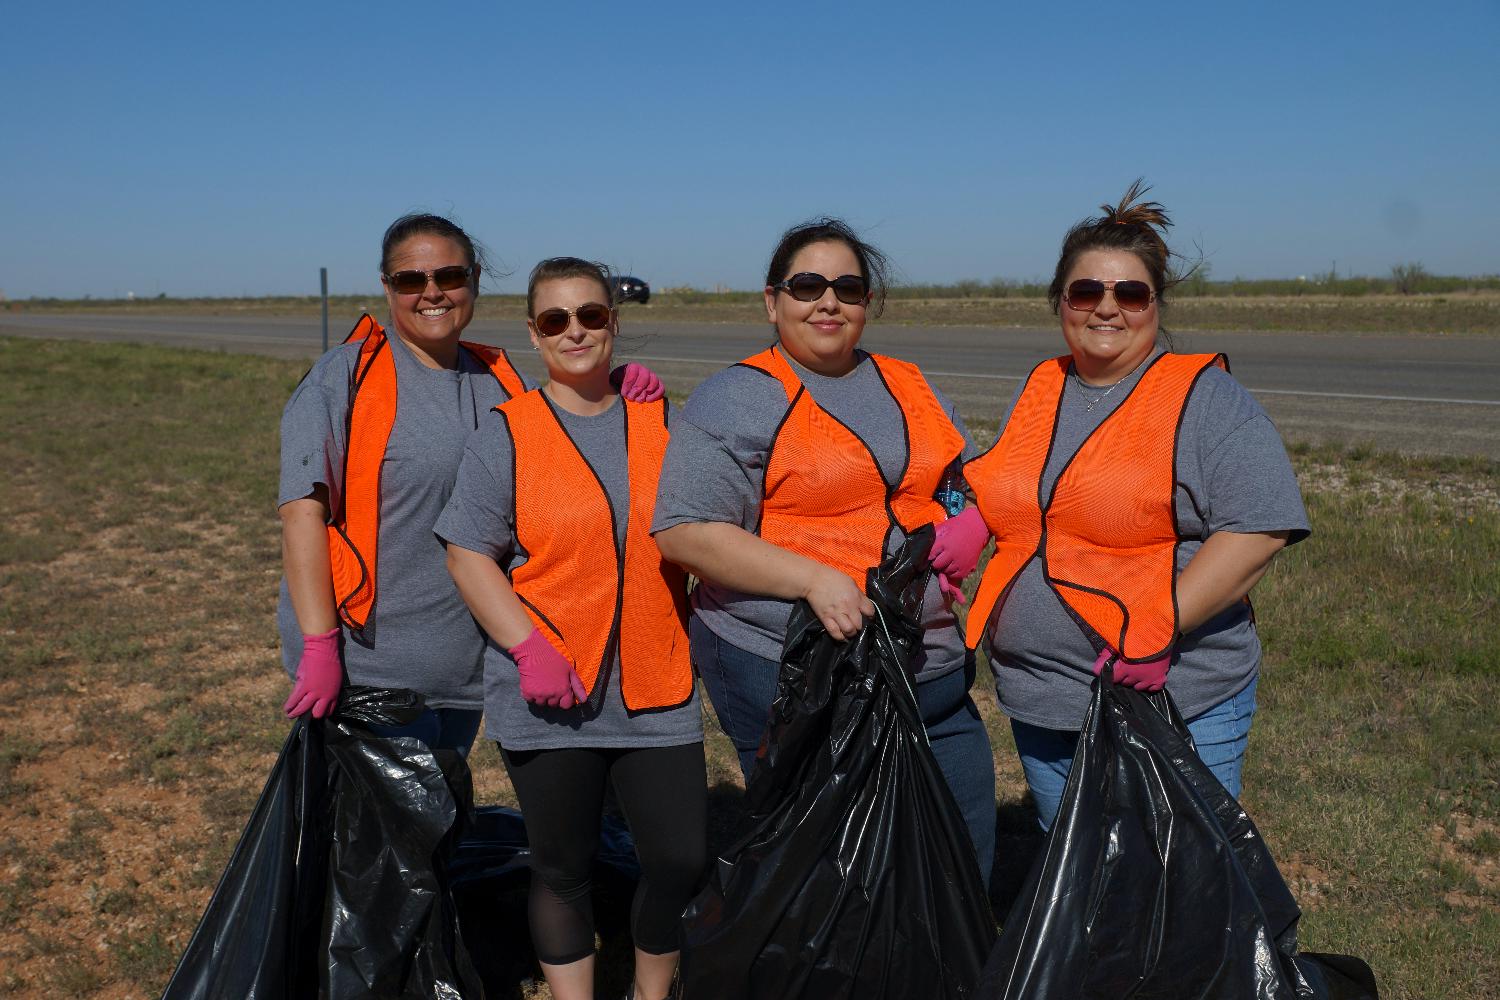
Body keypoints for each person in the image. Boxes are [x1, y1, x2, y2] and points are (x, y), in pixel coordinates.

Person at [652, 218, 998, 888]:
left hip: (928, 662)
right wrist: (813, 579)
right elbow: (686, 530)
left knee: (961, 848)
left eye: (848, 287)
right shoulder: (740, 396)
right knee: (830, 872)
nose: (828, 301)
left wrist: (975, 519)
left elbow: (977, 474)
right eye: (807, 285)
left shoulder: (908, 382)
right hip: (791, 667)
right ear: (772, 300)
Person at [963, 182, 1310, 831]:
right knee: (1080, 884)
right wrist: (973, 521)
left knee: (1180, 880)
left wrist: (1161, 625)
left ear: (1156, 304)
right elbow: (1022, 489)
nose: (1107, 309)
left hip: (1169, 696)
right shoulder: (1043, 383)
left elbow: (1258, 527)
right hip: (1041, 698)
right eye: (1087, 292)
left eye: (1130, 293)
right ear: (1060, 302)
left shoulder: (1202, 396)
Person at [278, 214, 663, 755]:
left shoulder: (502, 380)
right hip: (368, 668)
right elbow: (301, 514)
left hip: (470, 663)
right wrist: (320, 646)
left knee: (441, 826)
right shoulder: (344, 376)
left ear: (474, 280)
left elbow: (563, 435)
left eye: (450, 276)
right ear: (388, 287)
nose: (432, 292)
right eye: (411, 280)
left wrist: (611, 387)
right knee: (377, 836)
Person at [438, 258, 705, 1000]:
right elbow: (467, 552)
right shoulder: (508, 433)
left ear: (614, 323)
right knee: (563, 866)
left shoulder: (664, 420)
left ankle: (651, 994)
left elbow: (710, 527)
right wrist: (527, 647)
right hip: (552, 694)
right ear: (533, 333)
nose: (576, 331)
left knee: (680, 857)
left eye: (592, 315)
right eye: (556, 320)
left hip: (657, 685)